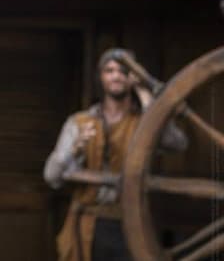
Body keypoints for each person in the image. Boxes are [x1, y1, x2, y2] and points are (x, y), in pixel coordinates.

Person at [44, 48, 187, 261]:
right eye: (109, 71)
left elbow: (177, 144)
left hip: (131, 225)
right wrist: (76, 148)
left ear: (133, 77)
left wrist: (145, 95)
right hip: (88, 225)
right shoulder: (80, 122)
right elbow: (51, 177)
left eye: (123, 71)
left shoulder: (143, 124)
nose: (116, 76)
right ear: (101, 77)